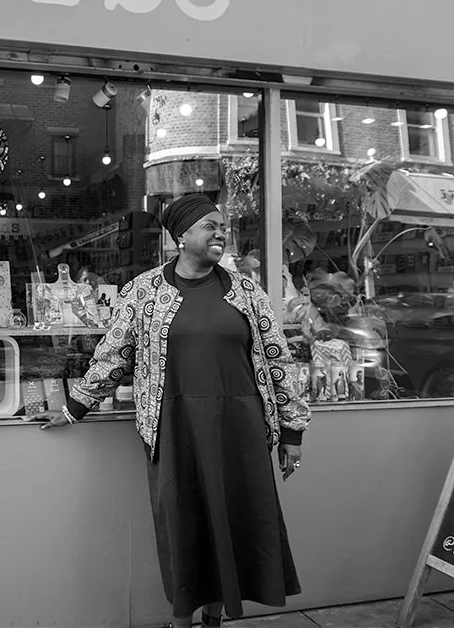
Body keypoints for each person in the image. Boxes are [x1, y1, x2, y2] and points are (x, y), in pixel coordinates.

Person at [28, 193, 310, 628]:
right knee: (182, 526)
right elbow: (113, 355)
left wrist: (292, 433)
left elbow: (278, 362)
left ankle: (215, 618)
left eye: (223, 227)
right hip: (173, 429)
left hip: (240, 429)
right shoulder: (143, 292)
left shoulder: (248, 293)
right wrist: (73, 407)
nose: (221, 234)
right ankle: (181, 621)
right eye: (210, 226)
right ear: (181, 236)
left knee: (233, 522)